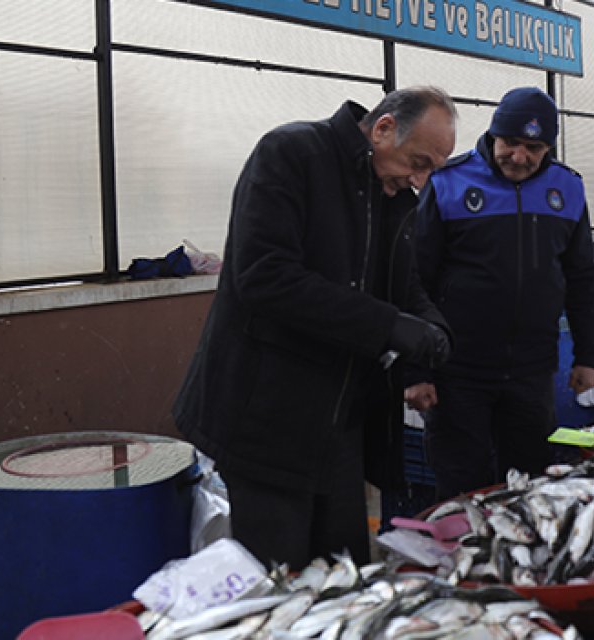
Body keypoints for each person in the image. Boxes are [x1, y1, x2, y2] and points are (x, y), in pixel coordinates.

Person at [172, 87, 458, 568]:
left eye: (432, 168)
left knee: (339, 576)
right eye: (419, 161)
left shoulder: (393, 196)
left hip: (339, 427)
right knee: (276, 579)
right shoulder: (291, 155)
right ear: (383, 129)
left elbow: (403, 287)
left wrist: (429, 328)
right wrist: (388, 325)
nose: (421, 179)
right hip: (265, 421)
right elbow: (264, 276)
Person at [409, 87, 594, 500]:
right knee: (464, 490)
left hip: (532, 372)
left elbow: (582, 275)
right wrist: (415, 371)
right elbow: (414, 280)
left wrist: (588, 355)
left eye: (533, 147)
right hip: (458, 372)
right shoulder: (448, 183)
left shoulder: (567, 188)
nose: (519, 156)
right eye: (511, 142)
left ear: (548, 147)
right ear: (493, 136)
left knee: (530, 488)